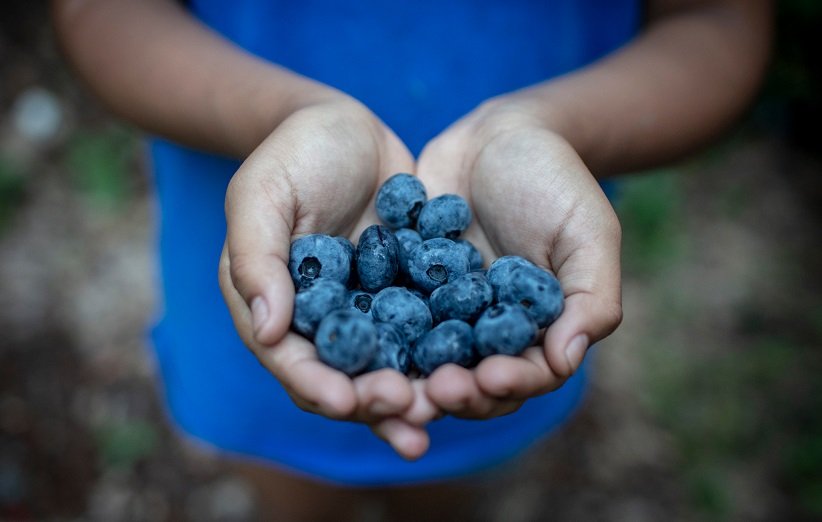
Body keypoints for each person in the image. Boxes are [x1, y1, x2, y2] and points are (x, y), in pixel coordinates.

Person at [52, 0, 771, 519]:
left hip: (479, 367)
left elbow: (719, 20)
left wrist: (555, 125)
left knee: (450, 464)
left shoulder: (446, 269)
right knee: (287, 480)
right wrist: (281, 116)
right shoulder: (345, 263)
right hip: (245, 255)